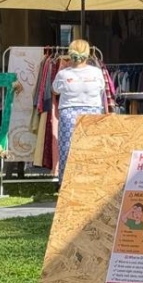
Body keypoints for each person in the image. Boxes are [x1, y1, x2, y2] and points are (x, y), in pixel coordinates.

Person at [51, 38, 106, 181]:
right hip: (92, 111)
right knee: (91, 148)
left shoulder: (63, 74)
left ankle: (66, 182)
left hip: (69, 113)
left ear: (70, 54)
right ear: (87, 54)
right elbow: (101, 89)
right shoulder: (96, 72)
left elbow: (55, 90)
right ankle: (92, 179)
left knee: (67, 149)